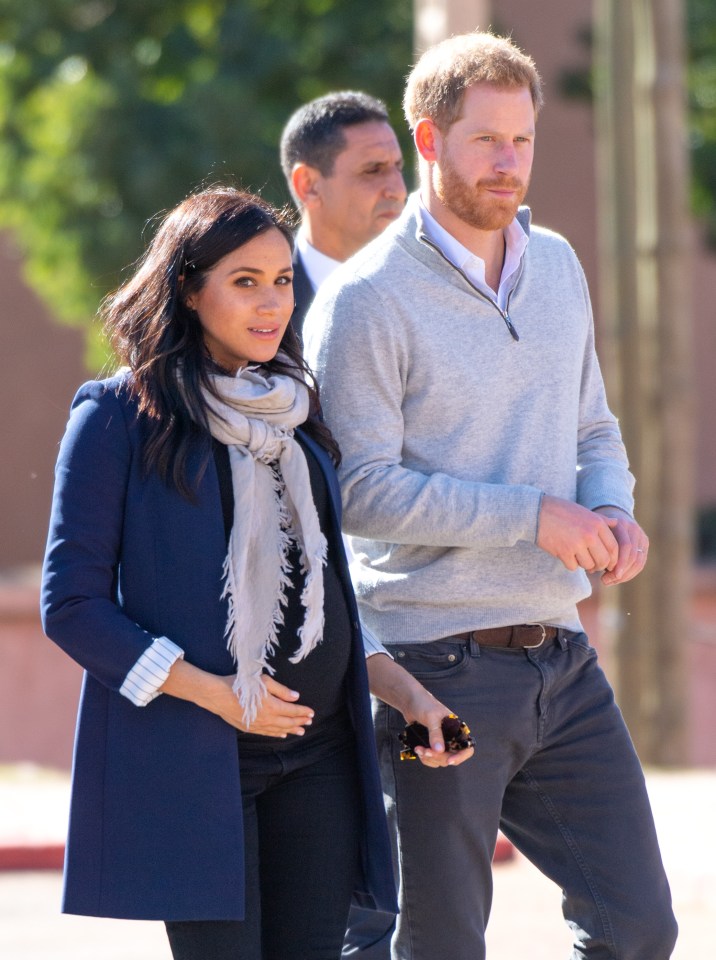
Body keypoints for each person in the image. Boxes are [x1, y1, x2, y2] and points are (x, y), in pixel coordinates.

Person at [303, 32, 678, 960]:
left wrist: (613, 508)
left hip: (564, 659)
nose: (509, 163)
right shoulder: (365, 301)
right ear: (429, 143)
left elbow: (590, 424)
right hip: (435, 666)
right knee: (439, 945)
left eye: (523, 141)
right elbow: (360, 490)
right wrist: (535, 515)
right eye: (486, 142)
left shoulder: (554, 265)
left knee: (637, 925)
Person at [40, 186, 472, 960]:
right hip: (200, 760)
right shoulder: (116, 420)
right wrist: (218, 694)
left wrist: (409, 696)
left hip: (321, 755)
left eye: (281, 280)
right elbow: (71, 606)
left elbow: (327, 594)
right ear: (188, 287)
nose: (273, 302)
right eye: (245, 281)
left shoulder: (298, 420)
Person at [280, 90, 407, 337]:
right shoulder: (261, 308)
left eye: (398, 168)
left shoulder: (431, 290)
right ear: (309, 185)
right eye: (373, 170)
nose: (398, 191)